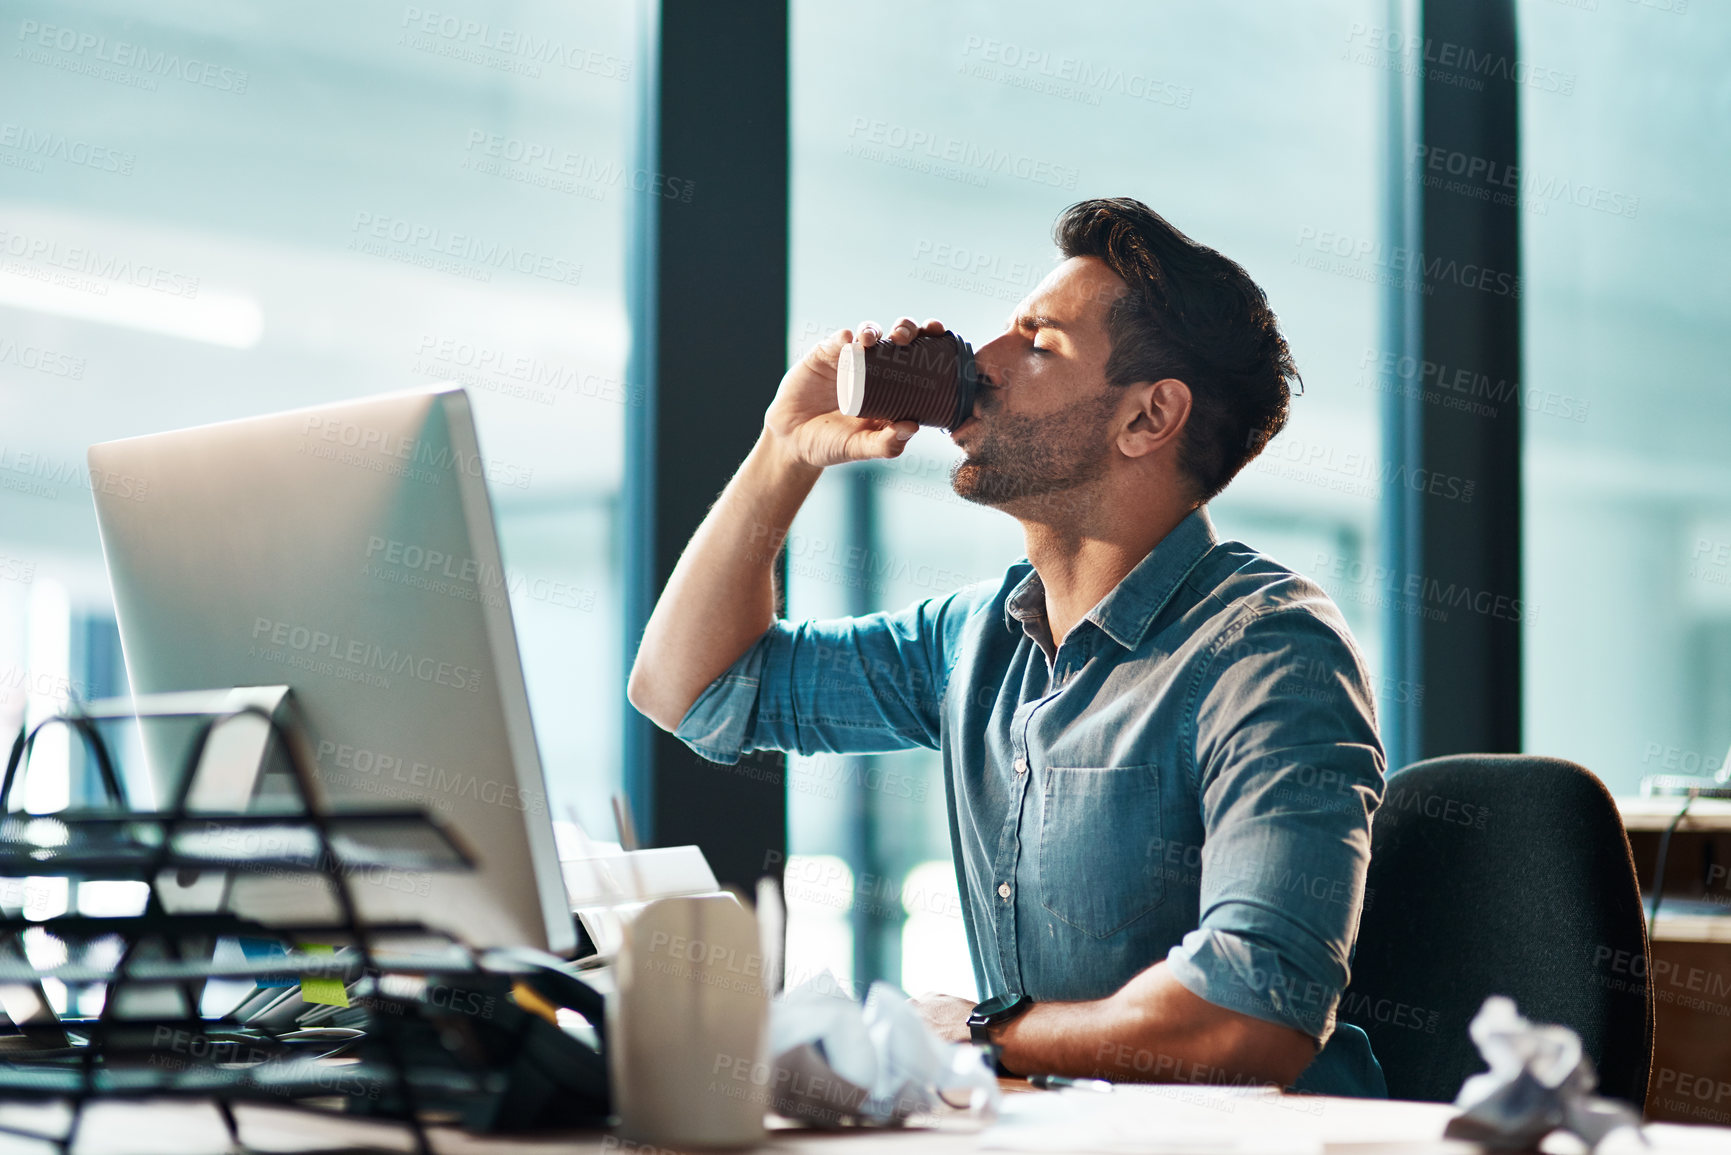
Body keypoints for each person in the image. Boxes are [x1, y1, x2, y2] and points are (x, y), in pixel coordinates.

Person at [628, 197, 1386, 1095]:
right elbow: (694, 689)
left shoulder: (1268, 656)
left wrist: (990, 1030)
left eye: (1037, 343)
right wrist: (781, 450)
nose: (981, 364)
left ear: (1147, 418)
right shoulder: (976, 639)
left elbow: (1249, 1017)